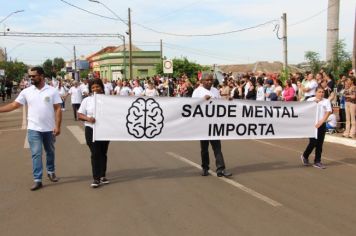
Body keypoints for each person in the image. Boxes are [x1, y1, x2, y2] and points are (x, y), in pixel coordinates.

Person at [0, 66, 62, 190]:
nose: (31, 78)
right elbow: (14, 105)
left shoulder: (52, 91)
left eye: (33, 76)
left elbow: (58, 109)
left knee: (50, 152)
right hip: (33, 128)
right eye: (30, 76)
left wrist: (57, 126)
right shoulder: (26, 91)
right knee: (36, 153)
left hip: (49, 129)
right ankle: (37, 179)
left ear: (41, 76)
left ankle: (51, 171)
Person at [192, 73, 232, 177]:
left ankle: (221, 169)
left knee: (217, 147)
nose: (210, 82)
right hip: (203, 123)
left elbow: (219, 103)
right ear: (202, 81)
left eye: (211, 80)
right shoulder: (197, 91)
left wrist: (227, 100)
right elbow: (192, 105)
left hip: (214, 123)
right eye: (207, 80)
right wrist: (202, 100)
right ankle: (205, 168)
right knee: (204, 148)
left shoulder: (215, 90)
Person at [78, 79, 110, 188]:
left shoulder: (108, 100)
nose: (95, 89)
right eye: (93, 87)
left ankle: (102, 175)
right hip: (90, 129)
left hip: (104, 130)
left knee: (103, 153)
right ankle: (96, 178)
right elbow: (80, 114)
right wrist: (88, 118)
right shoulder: (87, 100)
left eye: (97, 86)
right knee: (95, 153)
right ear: (90, 89)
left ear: (101, 87)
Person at [300, 86, 332, 169]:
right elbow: (304, 109)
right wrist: (314, 102)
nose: (321, 94)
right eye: (319, 92)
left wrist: (321, 122)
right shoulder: (310, 100)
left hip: (321, 125)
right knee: (313, 142)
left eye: (322, 92)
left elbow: (328, 112)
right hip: (312, 124)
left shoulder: (326, 101)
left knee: (320, 144)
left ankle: (317, 161)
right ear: (315, 93)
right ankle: (305, 155)